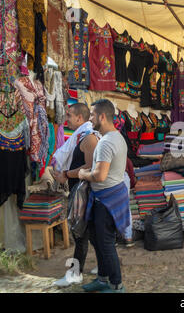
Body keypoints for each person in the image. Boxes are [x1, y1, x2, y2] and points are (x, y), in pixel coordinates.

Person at [79, 99, 130, 293]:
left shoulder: (106, 143)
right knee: (98, 240)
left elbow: (99, 176)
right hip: (110, 197)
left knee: (106, 243)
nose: (90, 119)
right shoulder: (117, 137)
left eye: (92, 115)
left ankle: (116, 285)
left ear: (102, 116)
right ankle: (102, 279)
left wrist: (83, 174)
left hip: (106, 201)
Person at [52, 103, 99, 287]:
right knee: (89, 233)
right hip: (81, 192)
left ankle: (75, 273)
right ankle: (105, 265)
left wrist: (66, 174)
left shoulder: (88, 138)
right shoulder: (80, 136)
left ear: (80, 118)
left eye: (70, 115)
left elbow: (90, 166)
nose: (67, 119)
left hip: (85, 194)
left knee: (80, 234)